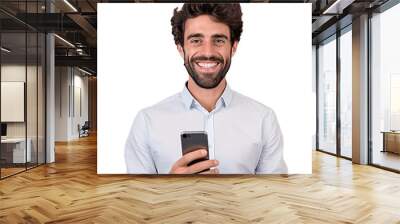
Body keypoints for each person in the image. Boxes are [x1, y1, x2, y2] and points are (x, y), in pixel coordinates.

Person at [125, 3, 287, 174]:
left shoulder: (263, 119)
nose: (208, 52)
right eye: (196, 40)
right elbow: (137, 198)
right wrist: (169, 188)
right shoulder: (147, 122)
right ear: (181, 49)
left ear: (233, 47)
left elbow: (275, 194)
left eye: (218, 40)